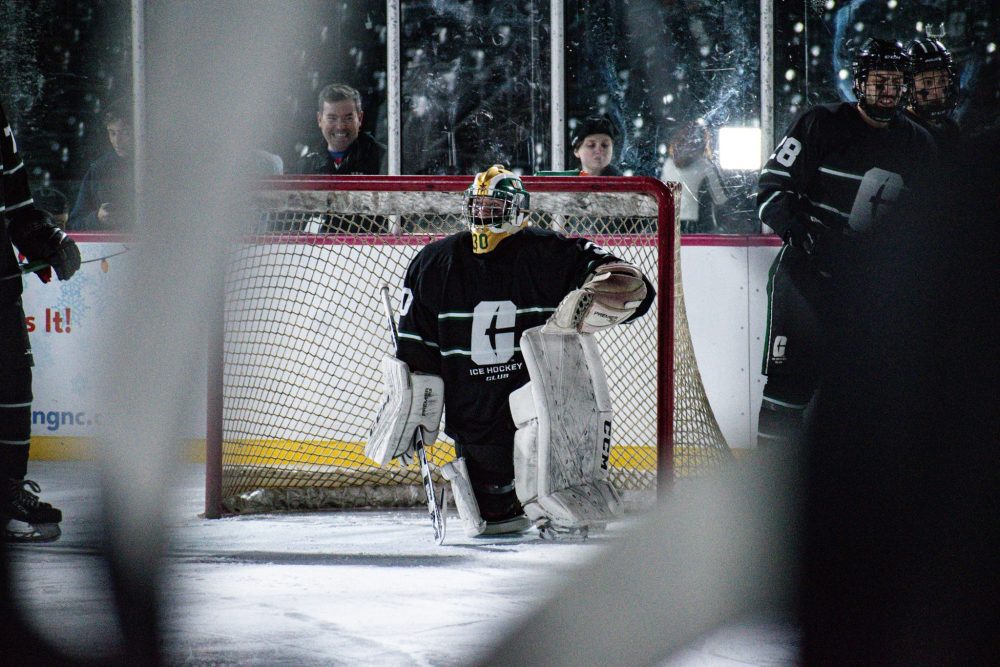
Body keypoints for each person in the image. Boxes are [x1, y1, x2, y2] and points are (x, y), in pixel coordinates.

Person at [367, 165, 654, 537]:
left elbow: (630, 283)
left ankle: (565, 501)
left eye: (494, 207)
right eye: (478, 206)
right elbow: (416, 350)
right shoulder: (434, 262)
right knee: (492, 522)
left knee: (562, 515)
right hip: (474, 419)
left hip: (543, 418)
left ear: (519, 210)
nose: (484, 215)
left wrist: (600, 292)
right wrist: (410, 403)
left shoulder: (550, 252)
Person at [754, 38, 936, 450]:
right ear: (860, 83)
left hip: (869, 289)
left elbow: (929, 222)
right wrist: (805, 235)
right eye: (878, 82)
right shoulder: (820, 123)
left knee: (866, 396)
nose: (887, 91)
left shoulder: (919, 146)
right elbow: (770, 191)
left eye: (895, 82)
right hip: (805, 280)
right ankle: (772, 478)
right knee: (787, 390)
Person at [1, 100, 81, 542]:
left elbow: (17, 205)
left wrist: (44, 237)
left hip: (1, 289)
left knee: (13, 387)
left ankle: (7, 491)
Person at [67, 98, 134, 231]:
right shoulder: (100, 169)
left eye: (126, 132)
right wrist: (97, 219)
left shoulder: (162, 166)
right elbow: (75, 225)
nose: (117, 141)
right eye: (112, 133)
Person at [295, 83, 386, 175]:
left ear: (360, 118)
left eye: (348, 118)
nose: (340, 126)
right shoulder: (306, 165)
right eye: (332, 118)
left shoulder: (385, 159)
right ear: (319, 119)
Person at [659, 122, 729, 233]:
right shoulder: (704, 165)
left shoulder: (668, 164)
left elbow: (660, 198)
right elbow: (720, 199)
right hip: (696, 226)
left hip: (672, 224)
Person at [904, 38, 961, 147]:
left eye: (942, 81)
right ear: (908, 85)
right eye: (928, 82)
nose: (937, 91)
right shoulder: (901, 130)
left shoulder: (951, 127)